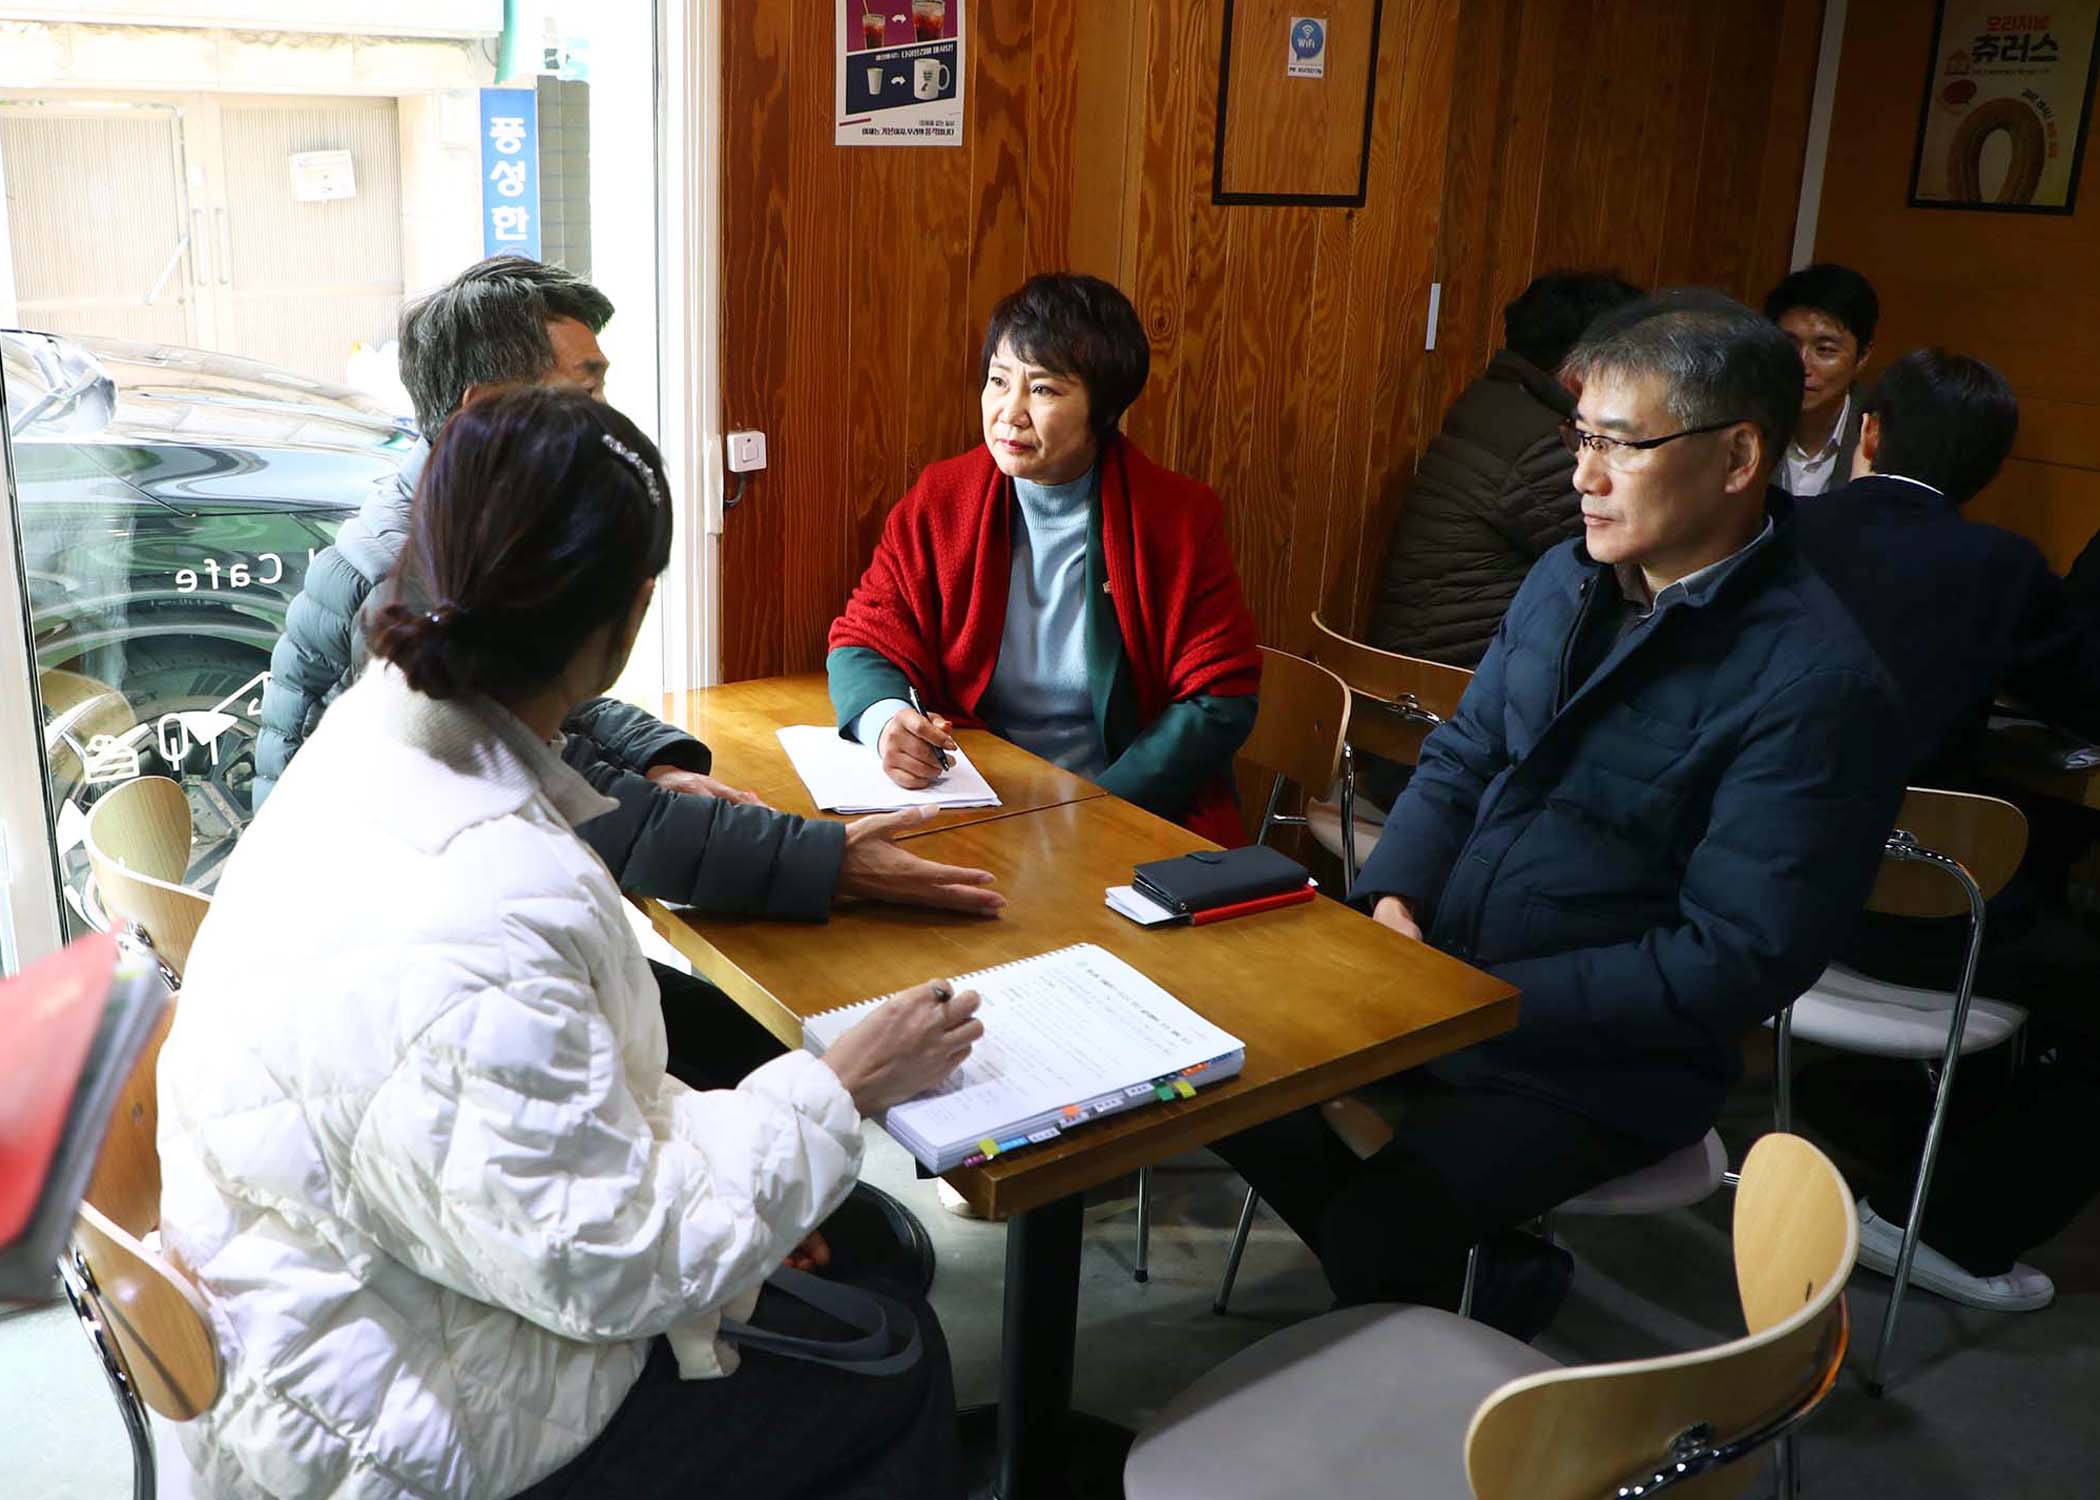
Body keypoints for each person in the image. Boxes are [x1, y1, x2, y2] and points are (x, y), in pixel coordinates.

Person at [158, 389, 980, 1500]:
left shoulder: (368, 739)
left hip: (323, 1311)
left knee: (846, 1242)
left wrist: (748, 1184)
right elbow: (616, 1261)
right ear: (626, 620)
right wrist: (840, 1088)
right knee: (898, 1356)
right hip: (394, 1428)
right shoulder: (493, 894)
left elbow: (532, 1133)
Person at [1216, 290, 1907, 1334]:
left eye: (1619, 448)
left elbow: (1733, 955)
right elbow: (1462, 753)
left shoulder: (1814, 681)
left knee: (1384, 1228)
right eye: (1579, 438)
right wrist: (1397, 894)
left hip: (1603, 1061)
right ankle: (1465, 1273)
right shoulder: (1566, 576)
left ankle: (1469, 1290)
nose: (1581, 478)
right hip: (1446, 980)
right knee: (1213, 1070)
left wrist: (1478, 996)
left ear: (1736, 460)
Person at [1791, 348, 2100, 1311]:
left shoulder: (1780, 530)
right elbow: (2084, 699)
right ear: (1988, 470)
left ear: (1869, 433)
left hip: (1753, 880)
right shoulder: (2002, 567)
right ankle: (1949, 1223)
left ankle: (1900, 1129)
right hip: (1893, 912)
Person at [827, 272, 1261, 848]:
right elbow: (864, 636)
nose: (1009, 412)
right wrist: (885, 721)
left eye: (1045, 390)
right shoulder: (943, 497)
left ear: (1103, 411)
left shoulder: (1178, 519)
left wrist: (1103, 808)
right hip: (976, 804)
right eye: (998, 381)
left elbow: (1221, 696)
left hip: (1124, 817)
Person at [1369, 270, 1642, 668]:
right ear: (1584, 367)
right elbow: (1639, 549)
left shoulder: (1502, 400)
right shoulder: (1539, 442)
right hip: (1450, 683)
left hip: (1434, 665)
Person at [1763, 262, 1878, 496]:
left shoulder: (1886, 438)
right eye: (1789, 345)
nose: (1801, 365)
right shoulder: (1740, 417)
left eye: (1824, 349)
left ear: (1862, 357)